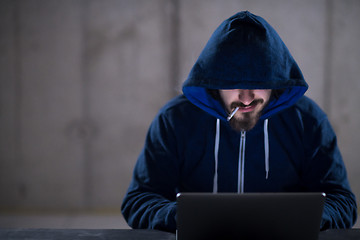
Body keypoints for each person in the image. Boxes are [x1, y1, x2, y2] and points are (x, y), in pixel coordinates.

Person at [121, 11, 357, 232]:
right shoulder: (174, 120)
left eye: (258, 82)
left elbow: (342, 201)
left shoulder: (309, 121)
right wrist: (182, 217)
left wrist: (306, 218)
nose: (246, 98)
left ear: (276, 82)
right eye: (233, 83)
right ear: (214, 81)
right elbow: (139, 199)